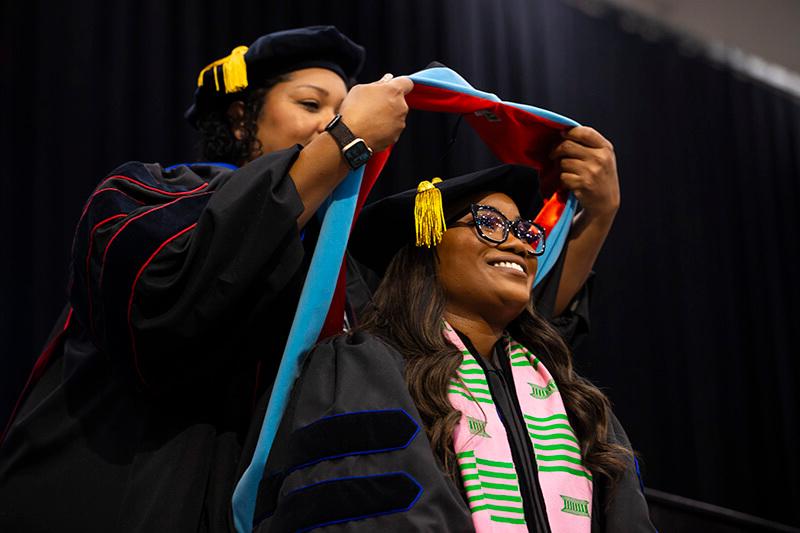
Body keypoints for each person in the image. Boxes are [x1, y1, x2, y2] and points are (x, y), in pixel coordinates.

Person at [0, 26, 412, 532]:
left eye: (342, 110)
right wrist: (344, 141)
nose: (331, 121)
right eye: (311, 104)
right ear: (241, 119)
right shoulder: (147, 197)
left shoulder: (341, 267)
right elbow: (170, 312)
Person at [258, 164, 653, 532]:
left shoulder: (569, 395)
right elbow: (367, 512)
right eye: (489, 223)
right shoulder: (366, 365)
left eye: (525, 231)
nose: (517, 243)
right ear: (428, 245)